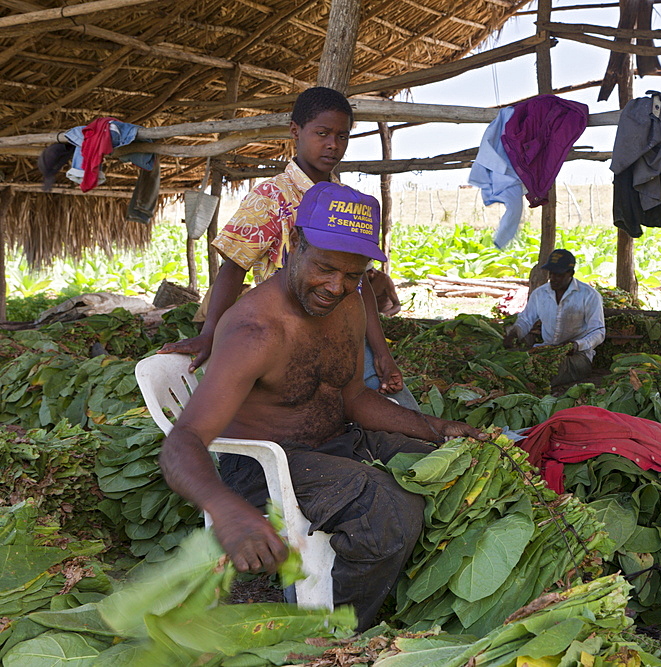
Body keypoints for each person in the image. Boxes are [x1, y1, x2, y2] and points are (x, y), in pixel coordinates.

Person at [159, 181, 485, 631]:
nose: (337, 287)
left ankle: (382, 589)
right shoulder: (256, 331)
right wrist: (227, 510)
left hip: (338, 442)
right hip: (266, 468)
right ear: (295, 244)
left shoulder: (348, 305)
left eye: (354, 275)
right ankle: (338, 636)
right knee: (388, 511)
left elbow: (353, 398)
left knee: (456, 467)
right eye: (326, 268)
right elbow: (183, 443)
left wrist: (434, 427)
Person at [159, 86, 418, 410]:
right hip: (289, 337)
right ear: (295, 131)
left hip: (345, 336)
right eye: (322, 133)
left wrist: (382, 353)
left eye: (342, 136)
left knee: (398, 415)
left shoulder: (344, 201)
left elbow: (360, 283)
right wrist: (211, 333)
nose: (332, 145)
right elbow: (234, 266)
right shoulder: (272, 196)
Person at [502, 249, 606, 386]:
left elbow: (598, 332)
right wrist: (514, 334)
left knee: (547, 373)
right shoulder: (540, 294)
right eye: (551, 273)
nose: (553, 278)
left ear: (571, 273)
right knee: (515, 365)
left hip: (578, 356)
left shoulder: (589, 295)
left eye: (559, 275)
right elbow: (526, 320)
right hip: (545, 350)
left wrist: (576, 345)